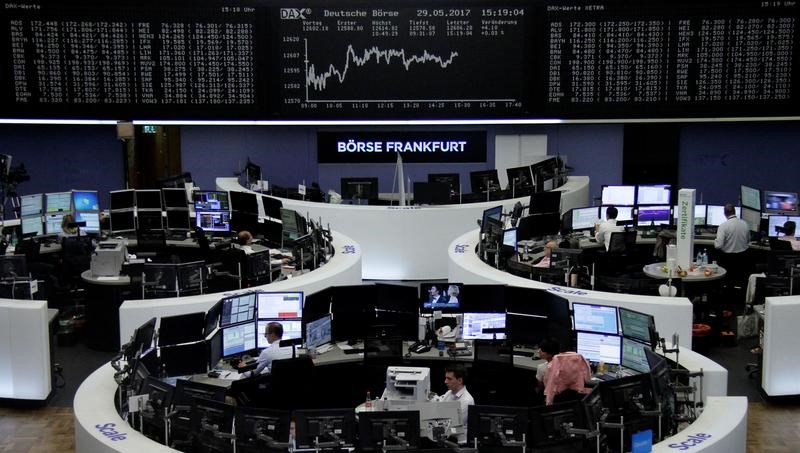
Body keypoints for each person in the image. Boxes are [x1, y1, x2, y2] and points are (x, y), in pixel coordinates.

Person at [438, 364, 475, 444]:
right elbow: (438, 406)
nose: (445, 381)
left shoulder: (467, 401)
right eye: (445, 378)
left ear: (460, 380)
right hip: (447, 436)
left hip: (458, 442)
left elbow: (451, 424)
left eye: (449, 379)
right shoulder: (450, 392)